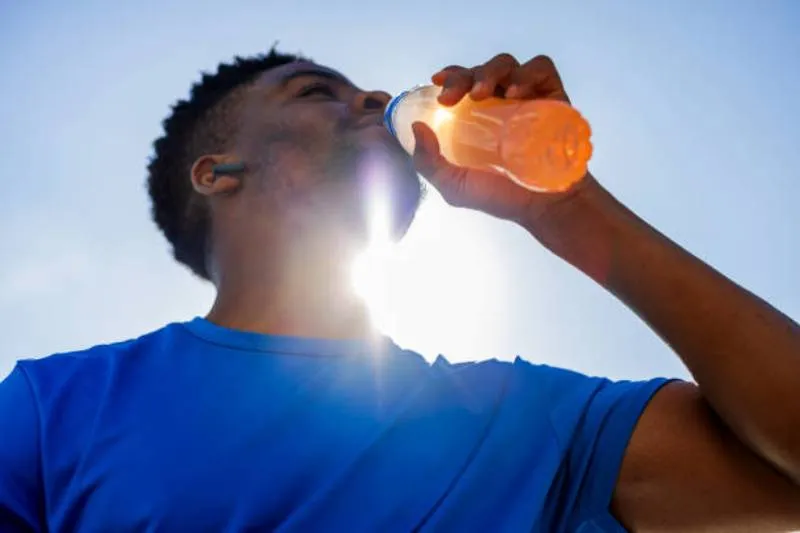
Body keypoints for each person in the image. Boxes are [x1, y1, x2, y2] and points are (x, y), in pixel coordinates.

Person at [1, 48, 798, 533]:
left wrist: (575, 213)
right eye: (316, 92)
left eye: (370, 94)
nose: (376, 101)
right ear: (215, 172)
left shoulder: (524, 421)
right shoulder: (56, 405)